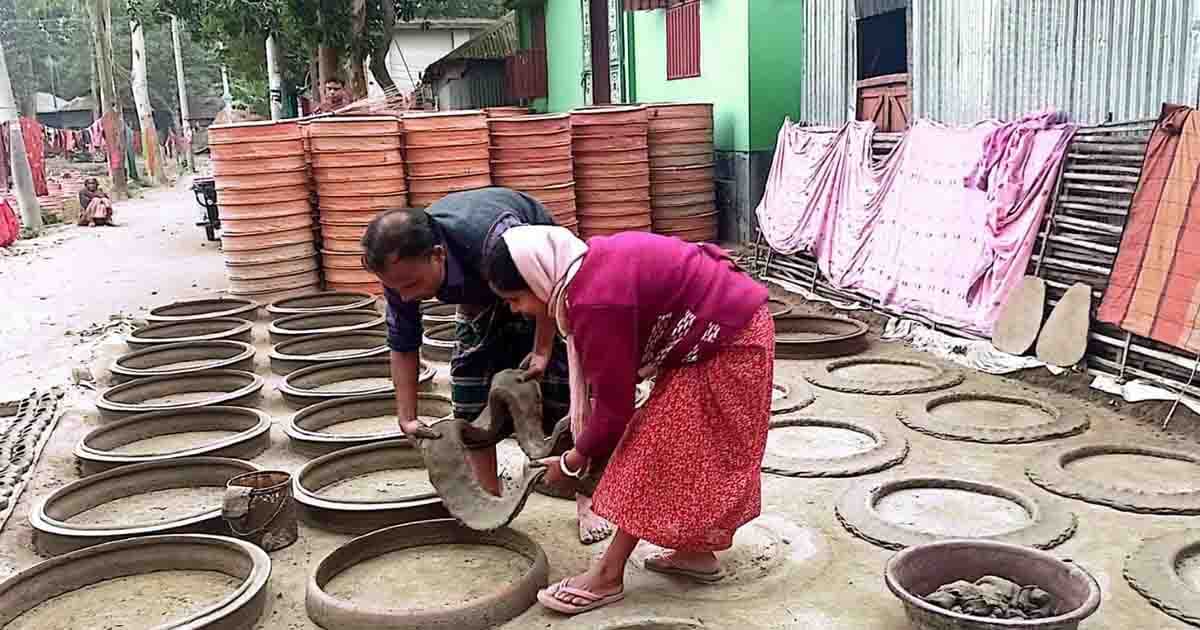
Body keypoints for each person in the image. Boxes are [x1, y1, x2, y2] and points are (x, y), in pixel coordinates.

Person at [484, 226, 773, 615]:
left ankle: (607, 574)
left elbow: (613, 411)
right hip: (720, 325)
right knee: (686, 449)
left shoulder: (595, 301)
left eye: (516, 298)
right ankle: (696, 554)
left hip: (729, 338)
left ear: (538, 277)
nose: (516, 310)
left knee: (653, 450)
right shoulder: (585, 266)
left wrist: (571, 463)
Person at [360, 188, 614, 545]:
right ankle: (487, 497)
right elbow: (403, 343)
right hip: (478, 290)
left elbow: (546, 287)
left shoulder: (496, 240)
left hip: (538, 280)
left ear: (438, 255)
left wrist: (542, 349)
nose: (405, 296)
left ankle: (588, 498)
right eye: (396, 288)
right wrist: (407, 415)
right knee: (470, 390)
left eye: (412, 285)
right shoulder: (400, 272)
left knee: (562, 387)